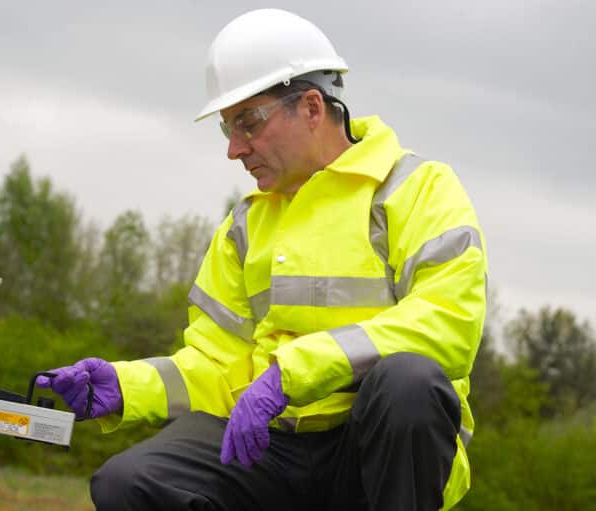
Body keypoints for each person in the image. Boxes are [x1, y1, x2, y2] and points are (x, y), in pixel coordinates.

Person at [38, 8, 487, 510]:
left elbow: (450, 323)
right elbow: (218, 367)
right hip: (273, 448)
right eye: (227, 128)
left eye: (248, 123)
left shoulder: (418, 190)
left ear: (313, 107)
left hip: (373, 457)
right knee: (129, 482)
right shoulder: (244, 228)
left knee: (409, 383)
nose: (234, 149)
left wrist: (289, 373)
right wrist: (125, 386)